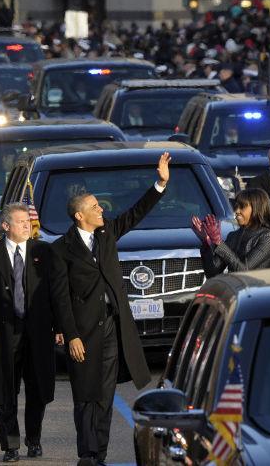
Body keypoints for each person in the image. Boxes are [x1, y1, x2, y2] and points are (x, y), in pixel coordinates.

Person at [53, 152, 170, 465]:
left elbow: (135, 214)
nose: (100, 209)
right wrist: (70, 334)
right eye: (94, 207)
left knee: (104, 396)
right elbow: (61, 297)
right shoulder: (61, 250)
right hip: (84, 333)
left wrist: (159, 184)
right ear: (79, 216)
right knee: (86, 396)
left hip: (112, 329)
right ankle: (86, 452)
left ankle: (98, 455)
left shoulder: (106, 235)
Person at [0, 203, 69, 462]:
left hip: (37, 332)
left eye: (28, 221)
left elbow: (57, 294)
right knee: (6, 391)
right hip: (3, 331)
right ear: (5, 226)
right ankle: (10, 445)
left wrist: (60, 327)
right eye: (21, 221)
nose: (27, 226)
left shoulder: (43, 252)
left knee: (38, 389)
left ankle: (33, 439)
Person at [193, 188, 270, 278]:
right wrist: (207, 241)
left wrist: (219, 242)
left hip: (255, 290)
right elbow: (212, 273)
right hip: (234, 289)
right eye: (236, 207)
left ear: (257, 208)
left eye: (242, 207)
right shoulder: (233, 236)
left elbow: (244, 270)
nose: (236, 211)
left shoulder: (268, 236)